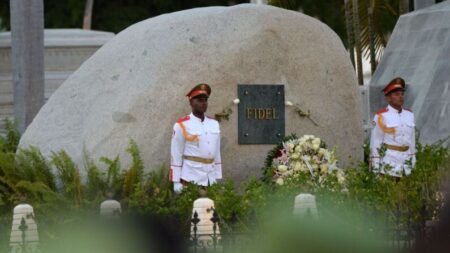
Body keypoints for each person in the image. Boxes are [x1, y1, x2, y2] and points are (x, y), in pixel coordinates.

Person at [170, 83, 222, 193]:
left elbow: (216, 152)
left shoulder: (214, 124)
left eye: (205, 100)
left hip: (210, 178)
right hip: (191, 177)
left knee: (210, 209)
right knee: (192, 209)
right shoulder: (182, 125)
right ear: (191, 102)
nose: (203, 103)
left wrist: (218, 175)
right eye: (199, 100)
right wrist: (175, 181)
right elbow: (176, 153)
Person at [370, 77, 416, 177]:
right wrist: (375, 171)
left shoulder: (409, 114)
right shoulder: (381, 116)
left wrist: (413, 162)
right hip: (389, 166)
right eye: (396, 94)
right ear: (388, 98)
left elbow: (412, 141)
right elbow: (375, 143)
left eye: (402, 94)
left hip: (407, 167)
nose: (401, 97)